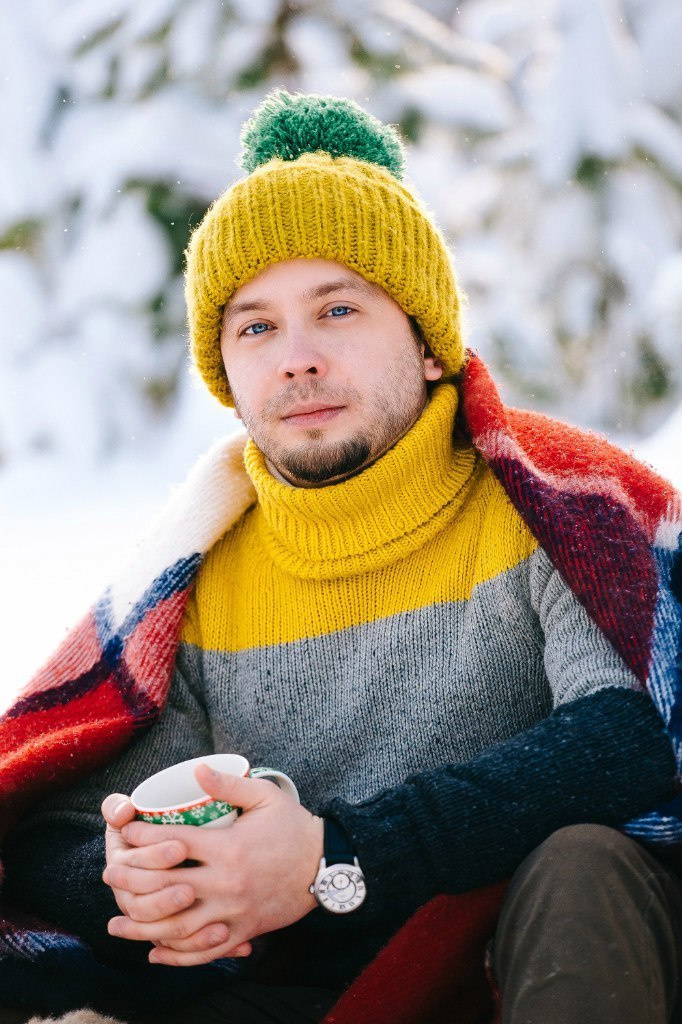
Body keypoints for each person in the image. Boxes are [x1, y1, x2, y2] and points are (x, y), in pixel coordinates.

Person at [1, 90, 682, 1024]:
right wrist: (133, 878)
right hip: (313, 993)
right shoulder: (201, 574)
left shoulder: (555, 507)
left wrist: (335, 856)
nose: (298, 358)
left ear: (428, 341)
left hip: (518, 970)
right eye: (256, 326)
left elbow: (629, 739)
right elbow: (47, 826)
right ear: (228, 374)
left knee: (584, 863)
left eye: (338, 309)